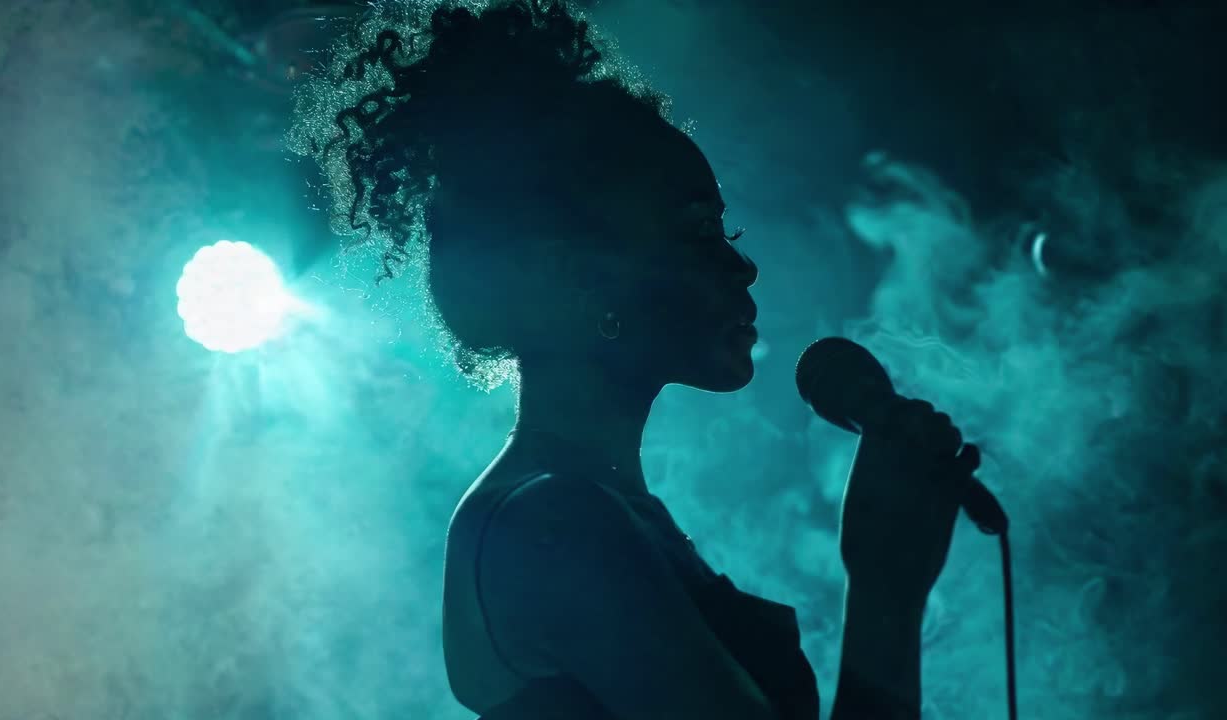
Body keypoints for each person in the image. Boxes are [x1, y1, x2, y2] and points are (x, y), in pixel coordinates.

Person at [293, 2, 980, 718]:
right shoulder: (552, 520)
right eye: (699, 230)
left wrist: (887, 585)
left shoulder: (599, 510)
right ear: (582, 277)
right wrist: (883, 596)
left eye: (729, 229)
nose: (741, 267)